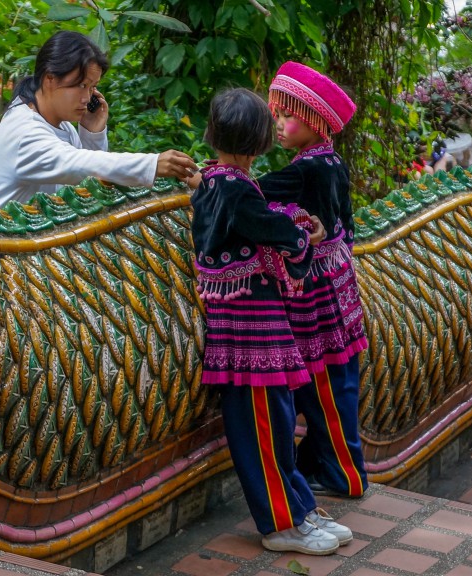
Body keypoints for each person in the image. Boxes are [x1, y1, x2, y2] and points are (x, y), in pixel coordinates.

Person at [190, 87, 350, 555]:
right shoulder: (233, 188)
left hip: (257, 322)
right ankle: (280, 522)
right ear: (259, 141)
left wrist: (294, 223)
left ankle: (298, 508)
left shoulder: (221, 182)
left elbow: (262, 217)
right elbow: (274, 229)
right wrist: (305, 230)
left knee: (277, 417)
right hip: (247, 326)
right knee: (265, 422)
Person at [257, 61, 369, 501]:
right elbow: (349, 226)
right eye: (278, 115)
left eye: (289, 116)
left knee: (325, 387)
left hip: (319, 301)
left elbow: (250, 193)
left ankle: (347, 477)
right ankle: (334, 468)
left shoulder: (307, 170)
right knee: (335, 384)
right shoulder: (331, 163)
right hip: (340, 293)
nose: (280, 125)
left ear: (317, 122)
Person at [0, 31, 196, 208]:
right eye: (80, 85)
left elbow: (86, 181)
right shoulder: (25, 132)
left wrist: (92, 133)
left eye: (92, 87)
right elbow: (81, 165)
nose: (87, 97)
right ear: (50, 79)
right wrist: (152, 164)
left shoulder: (60, 124)